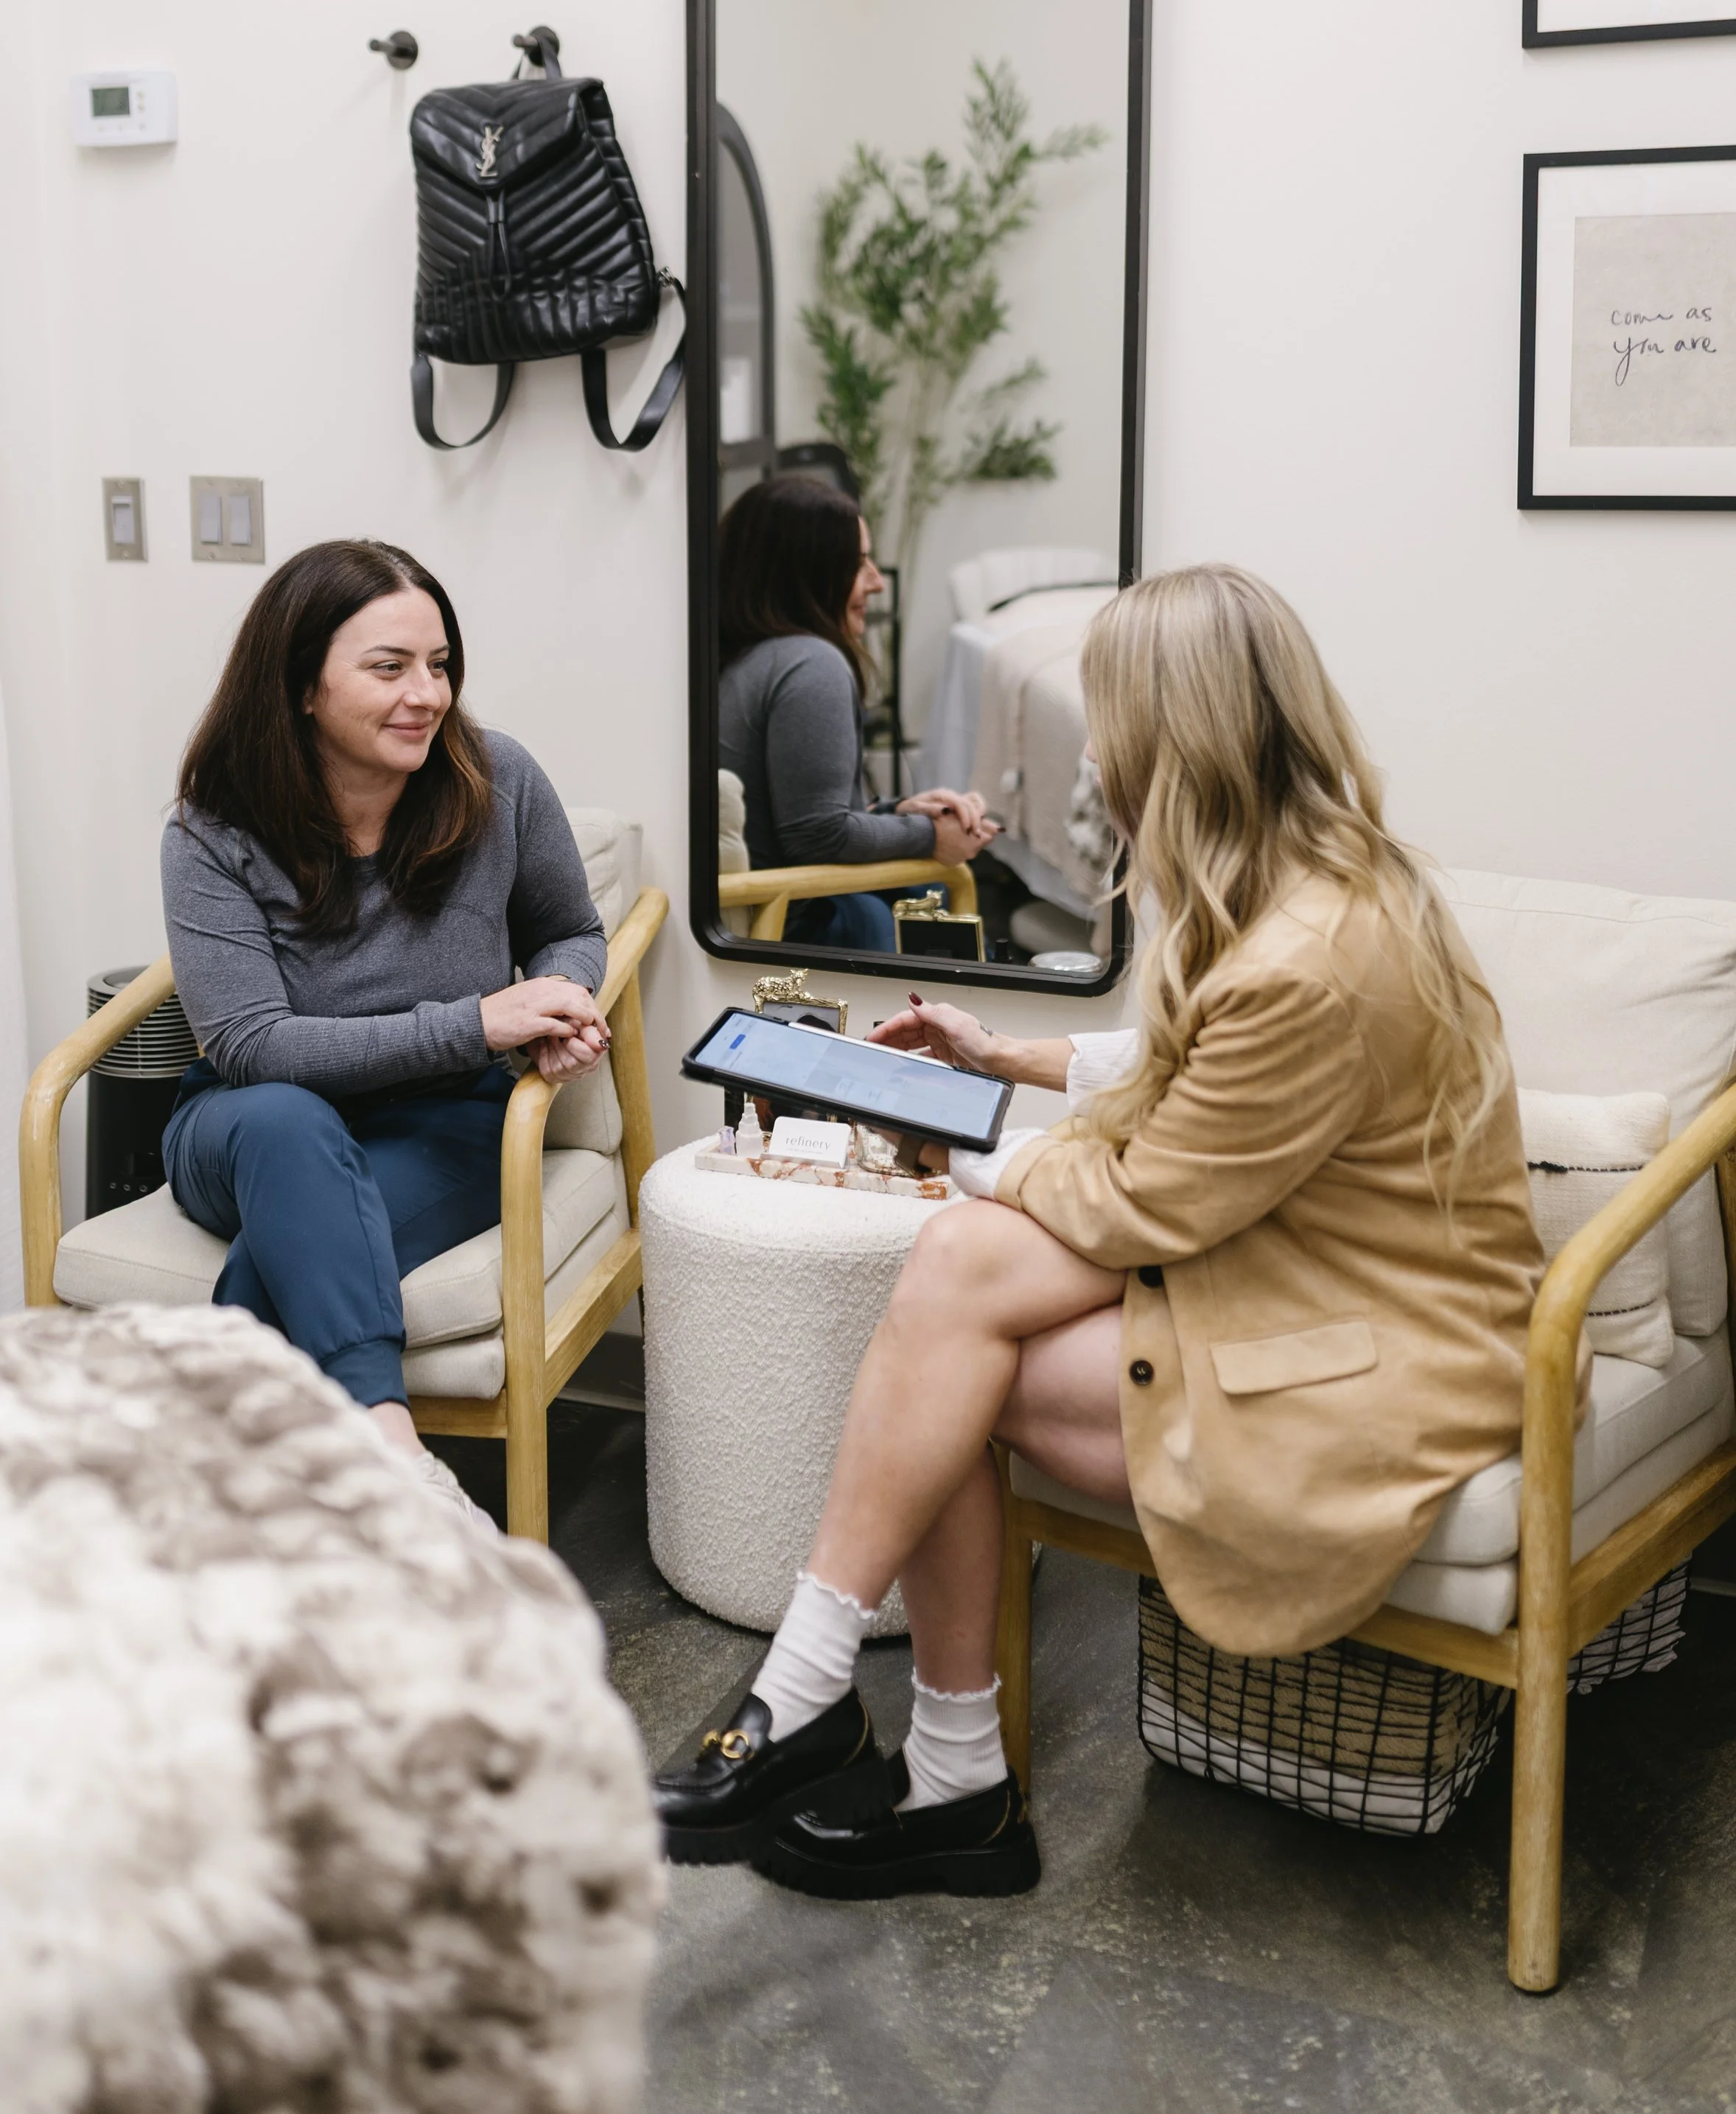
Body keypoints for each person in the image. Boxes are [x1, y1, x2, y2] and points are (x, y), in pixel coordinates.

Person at [659, 564, 1560, 1896]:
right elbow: (1190, 1068)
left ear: (1174, 741)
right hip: (1293, 1287)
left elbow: (1152, 1203)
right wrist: (999, 1059)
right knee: (945, 1340)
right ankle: (914, 1757)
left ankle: (851, 1718)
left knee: (946, 1326)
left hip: (1384, 1362)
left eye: (1108, 727)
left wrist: (958, 1152)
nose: (1096, 758)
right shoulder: (1326, 888)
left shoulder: (1310, 959)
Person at [160, 538, 612, 1530]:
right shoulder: (213, 830)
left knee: (267, 1283)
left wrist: (560, 997)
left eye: (440, 664)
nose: (428, 693)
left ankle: (211, 1525)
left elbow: (569, 929)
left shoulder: (500, 782)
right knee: (284, 1117)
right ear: (302, 686)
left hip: (446, 1124)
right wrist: (481, 1020)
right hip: (245, 1130)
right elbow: (251, 1046)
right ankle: (400, 1463)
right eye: (389, 666)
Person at [718, 475, 998, 950]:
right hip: (806, 924)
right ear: (808, 572)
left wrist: (896, 812)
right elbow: (816, 836)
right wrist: (930, 835)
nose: (875, 583)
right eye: (858, 562)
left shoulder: (741, 659)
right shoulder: (811, 663)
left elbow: (795, 817)